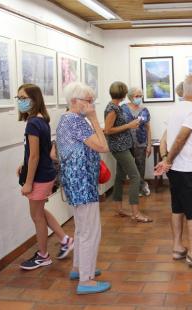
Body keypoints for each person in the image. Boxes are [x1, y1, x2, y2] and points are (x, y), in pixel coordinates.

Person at [154, 74, 192, 271]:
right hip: (186, 168)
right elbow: (180, 139)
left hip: (175, 169)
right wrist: (169, 160)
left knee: (178, 207)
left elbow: (170, 137)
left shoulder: (176, 108)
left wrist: (166, 160)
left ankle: (177, 248)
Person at [56, 82, 111, 294]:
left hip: (75, 182)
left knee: (81, 229)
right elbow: (103, 146)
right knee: (91, 231)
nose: (91, 105)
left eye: (92, 101)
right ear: (73, 101)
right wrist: (95, 118)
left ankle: (79, 268)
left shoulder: (67, 119)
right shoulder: (76, 121)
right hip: (82, 183)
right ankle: (86, 281)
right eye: (88, 101)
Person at [16, 83, 74, 270]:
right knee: (40, 212)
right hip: (45, 173)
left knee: (36, 216)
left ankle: (43, 256)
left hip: (40, 176)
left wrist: (28, 182)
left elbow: (34, 156)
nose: (20, 102)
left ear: (34, 99)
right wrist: (24, 166)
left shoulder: (33, 123)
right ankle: (65, 239)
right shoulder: (41, 120)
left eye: (24, 98)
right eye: (19, 98)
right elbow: (38, 152)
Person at [104, 82, 152, 222]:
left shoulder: (116, 107)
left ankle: (119, 209)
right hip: (120, 147)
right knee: (135, 177)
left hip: (124, 146)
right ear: (125, 94)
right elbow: (108, 130)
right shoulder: (113, 108)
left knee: (120, 177)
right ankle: (136, 213)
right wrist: (129, 125)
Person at [123, 87, 152, 197]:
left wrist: (149, 145)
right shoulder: (123, 109)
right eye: (137, 96)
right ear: (130, 97)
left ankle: (141, 188)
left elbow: (148, 128)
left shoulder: (144, 110)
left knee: (140, 166)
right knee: (130, 168)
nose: (139, 98)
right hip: (126, 143)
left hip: (141, 143)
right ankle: (136, 187)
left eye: (140, 96)